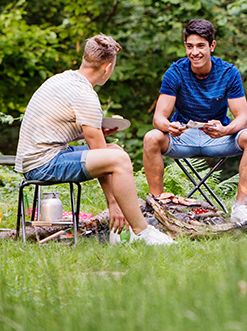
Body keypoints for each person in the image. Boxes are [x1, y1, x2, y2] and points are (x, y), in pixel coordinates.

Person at [16, 34, 174, 245]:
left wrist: (97, 132)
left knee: (115, 149)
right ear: (107, 67)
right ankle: (141, 231)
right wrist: (112, 203)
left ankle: (125, 231)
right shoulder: (86, 95)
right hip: (43, 164)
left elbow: (58, 128)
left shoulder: (64, 79)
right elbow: (101, 156)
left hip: (40, 156)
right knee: (119, 159)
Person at [143, 19, 247, 225]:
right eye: (190, 46)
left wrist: (225, 130)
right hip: (182, 136)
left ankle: (240, 207)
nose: (194, 52)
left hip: (217, 136)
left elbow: (243, 117)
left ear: (212, 46)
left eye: (200, 46)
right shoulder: (175, 72)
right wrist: (169, 126)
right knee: (151, 137)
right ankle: (159, 208)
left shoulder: (228, 73)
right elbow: (158, 118)